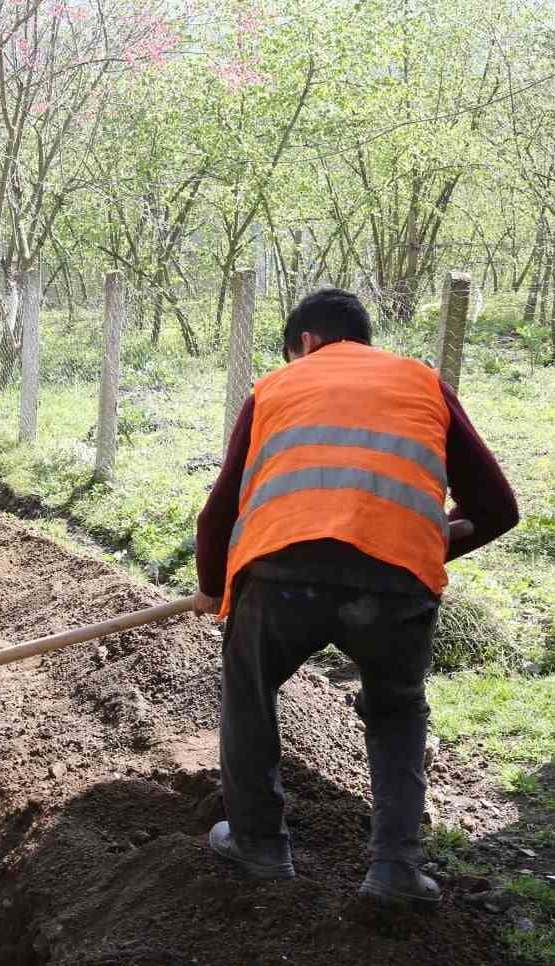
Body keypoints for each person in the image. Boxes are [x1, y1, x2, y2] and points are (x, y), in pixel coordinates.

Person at [193, 287, 517, 909]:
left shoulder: (275, 389)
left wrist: (213, 587)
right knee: (397, 713)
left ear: (307, 344)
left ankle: (259, 844)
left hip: (281, 575)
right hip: (396, 587)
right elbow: (498, 509)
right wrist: (414, 544)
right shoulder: (423, 382)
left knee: (249, 691)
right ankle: (395, 869)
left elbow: (218, 515)